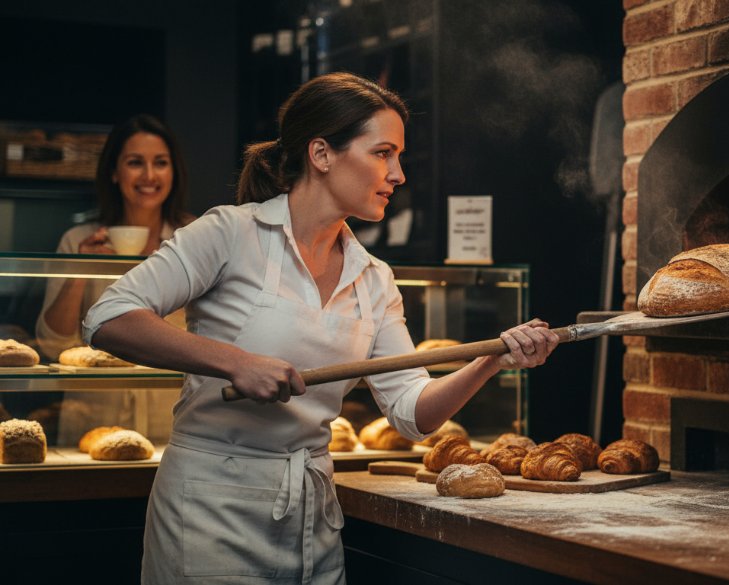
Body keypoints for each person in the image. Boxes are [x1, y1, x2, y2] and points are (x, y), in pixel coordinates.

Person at [83, 72, 559, 584]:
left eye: (398, 157)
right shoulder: (231, 232)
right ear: (322, 154)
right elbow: (108, 317)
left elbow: (410, 413)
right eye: (383, 153)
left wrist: (490, 360)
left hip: (313, 516)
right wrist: (235, 362)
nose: (398, 175)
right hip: (209, 511)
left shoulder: (374, 277)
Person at [34, 114, 193, 446]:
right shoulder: (78, 240)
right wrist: (81, 269)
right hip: (92, 424)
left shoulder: (194, 238)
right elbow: (52, 344)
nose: (149, 175)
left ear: (173, 172)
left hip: (177, 422)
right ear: (114, 172)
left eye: (160, 163)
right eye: (135, 162)